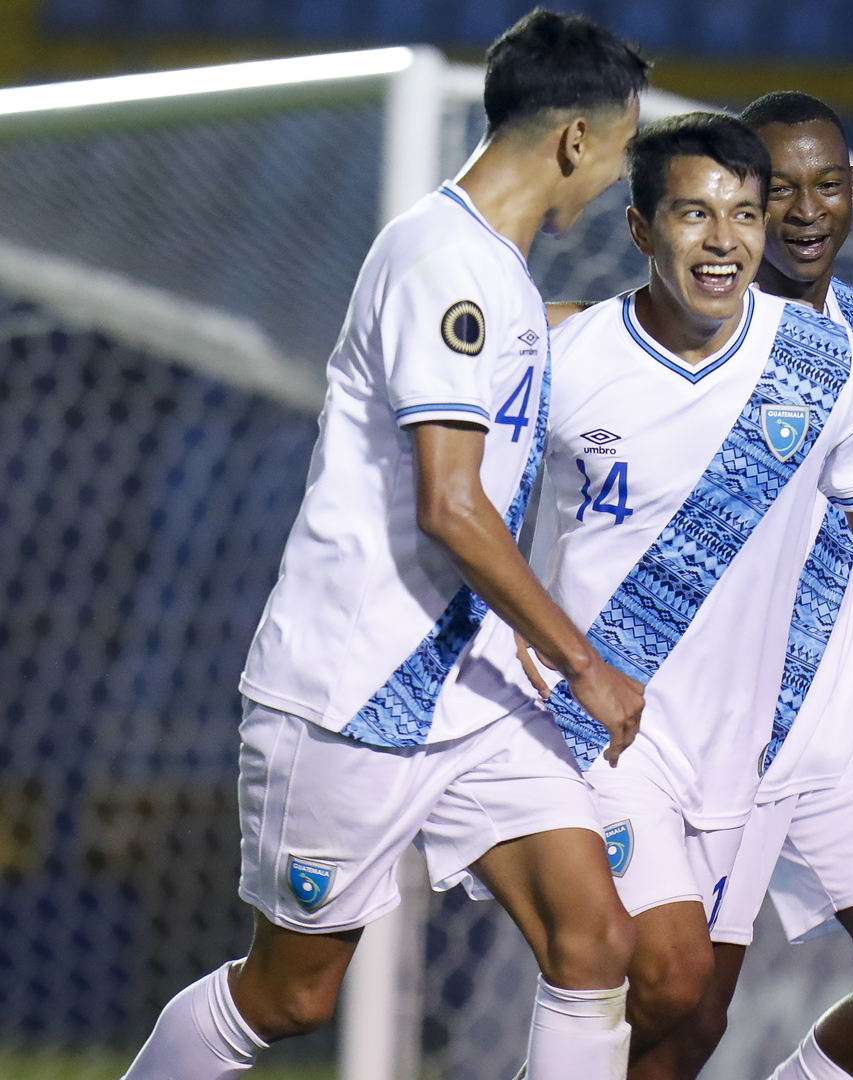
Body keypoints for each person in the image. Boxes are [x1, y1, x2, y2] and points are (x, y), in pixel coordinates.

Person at [119, 11, 648, 1080]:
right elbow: (449, 510)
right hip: (355, 692)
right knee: (291, 994)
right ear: (576, 142)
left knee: (592, 939)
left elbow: (510, 340)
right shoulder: (447, 263)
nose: (615, 183)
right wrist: (582, 661)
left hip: (469, 688)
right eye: (625, 150)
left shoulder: (483, 269)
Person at [502, 110, 853, 1073]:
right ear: (644, 230)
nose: (726, 237)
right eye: (696, 214)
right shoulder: (566, 360)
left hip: (747, 744)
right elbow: (473, 514)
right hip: (606, 724)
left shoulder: (825, 360)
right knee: (671, 976)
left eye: (744, 212)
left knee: (689, 1020)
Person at [630, 91, 853, 1080]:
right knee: (681, 1023)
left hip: (840, 726)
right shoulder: (702, 331)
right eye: (780, 193)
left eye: (829, 186)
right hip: (717, 730)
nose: (809, 211)